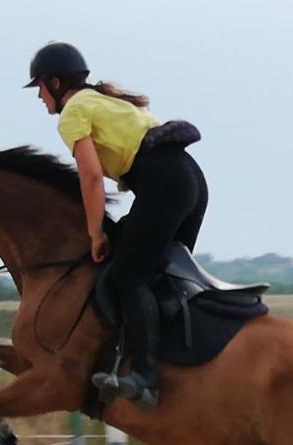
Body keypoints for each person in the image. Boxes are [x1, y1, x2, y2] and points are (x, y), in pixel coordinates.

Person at [26, 41, 207, 409]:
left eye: (40, 88)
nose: (40, 98)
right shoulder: (105, 101)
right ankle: (180, 358)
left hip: (164, 185)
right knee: (160, 272)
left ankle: (145, 377)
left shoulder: (73, 112)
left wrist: (95, 234)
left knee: (128, 276)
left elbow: (91, 178)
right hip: (191, 181)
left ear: (56, 83)